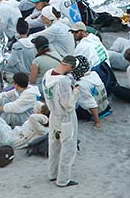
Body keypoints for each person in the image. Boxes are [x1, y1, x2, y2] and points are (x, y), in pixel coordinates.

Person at [44, 56, 83, 188]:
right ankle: (63, 179)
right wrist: (76, 92)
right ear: (70, 67)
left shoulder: (48, 74)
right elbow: (67, 104)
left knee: (54, 146)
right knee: (68, 149)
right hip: (66, 118)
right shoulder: (63, 81)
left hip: (53, 115)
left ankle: (52, 173)